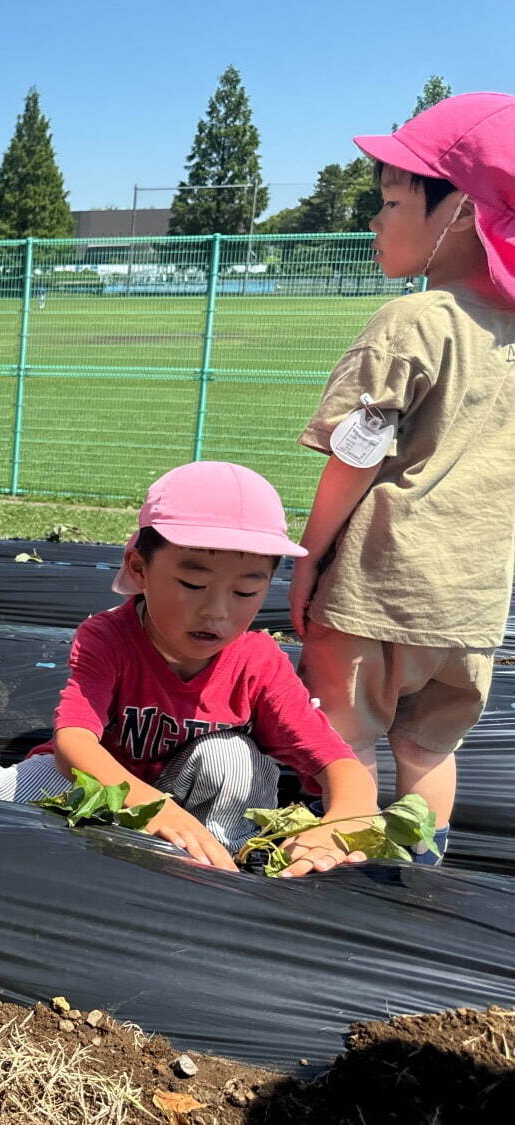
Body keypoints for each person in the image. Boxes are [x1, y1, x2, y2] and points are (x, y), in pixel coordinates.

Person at [0, 462, 380, 878]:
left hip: (198, 809)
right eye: (193, 585)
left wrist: (340, 826)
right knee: (0, 796)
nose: (216, 611)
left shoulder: (259, 660)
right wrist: (153, 809)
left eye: (245, 591)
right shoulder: (108, 637)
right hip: (108, 790)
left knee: (230, 760)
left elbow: (340, 765)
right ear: (140, 568)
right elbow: (74, 742)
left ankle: (215, 867)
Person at [291, 93, 515, 864]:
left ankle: (336, 870)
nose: (376, 222)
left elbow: (356, 455)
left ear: (461, 211)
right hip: (473, 604)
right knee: (428, 745)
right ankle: (416, 876)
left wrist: (311, 558)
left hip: (377, 587)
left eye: (390, 202)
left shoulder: (413, 322)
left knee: (343, 728)